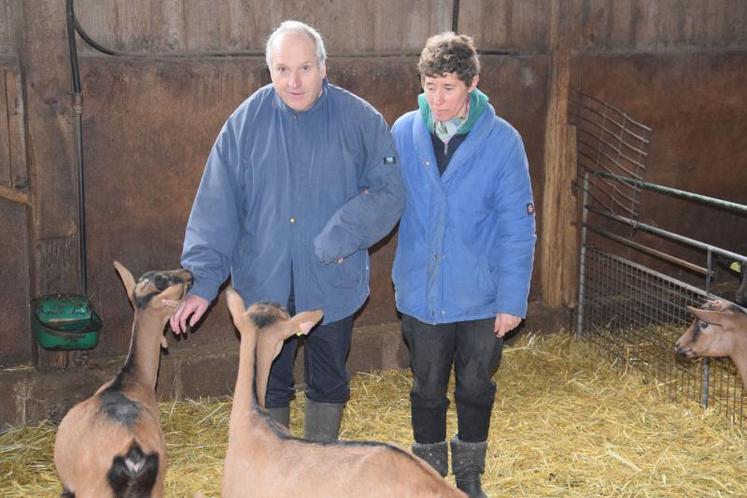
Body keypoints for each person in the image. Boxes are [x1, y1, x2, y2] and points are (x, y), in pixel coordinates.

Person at [170, 20, 405, 442]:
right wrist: (203, 282)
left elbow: (389, 193)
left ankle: (317, 469)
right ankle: (276, 473)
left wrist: (338, 236)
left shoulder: (360, 120)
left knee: (329, 378)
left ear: (323, 67)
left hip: (331, 277)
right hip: (265, 280)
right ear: (269, 71)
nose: (293, 81)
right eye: (282, 70)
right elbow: (217, 207)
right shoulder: (245, 124)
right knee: (270, 381)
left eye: (304, 69)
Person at [391, 32, 536, 497]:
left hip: (480, 296)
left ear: (472, 83)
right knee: (426, 387)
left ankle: (470, 472)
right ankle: (429, 476)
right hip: (422, 292)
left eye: (448, 87)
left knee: (475, 386)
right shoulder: (404, 131)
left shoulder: (503, 142)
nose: (437, 98)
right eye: (430, 85)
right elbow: (381, 199)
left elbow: (518, 228)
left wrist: (511, 300)